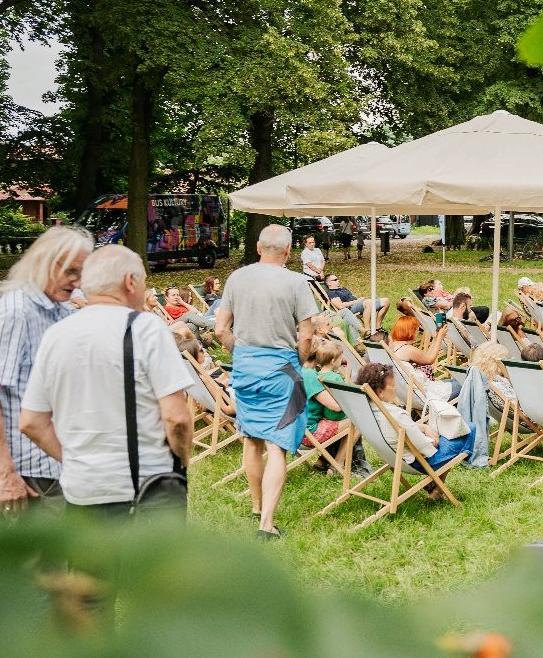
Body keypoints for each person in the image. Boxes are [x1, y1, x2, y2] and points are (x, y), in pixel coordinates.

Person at [18, 244, 196, 513]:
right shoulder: (146, 327)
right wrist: (181, 458)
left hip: (82, 490)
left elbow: (31, 422)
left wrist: (74, 461)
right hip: (146, 488)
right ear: (129, 281)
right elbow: (177, 418)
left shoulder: (56, 334)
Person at [0, 226, 94, 511]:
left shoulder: (60, 309)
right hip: (27, 470)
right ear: (43, 263)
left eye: (82, 273)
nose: (77, 282)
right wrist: (4, 474)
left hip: (58, 463)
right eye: (70, 272)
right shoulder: (14, 314)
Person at [215, 223, 318, 541]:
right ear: (288, 252)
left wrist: (242, 353)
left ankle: (257, 507)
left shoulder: (237, 278)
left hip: (245, 369)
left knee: (251, 438)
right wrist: (297, 364)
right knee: (277, 446)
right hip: (281, 369)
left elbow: (220, 330)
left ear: (259, 248)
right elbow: (307, 334)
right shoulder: (297, 282)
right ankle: (266, 525)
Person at [352, 362, 474, 472]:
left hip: (394, 459)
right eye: (393, 385)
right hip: (421, 463)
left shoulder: (366, 411)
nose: (396, 388)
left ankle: (436, 485)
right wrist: (434, 439)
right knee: (470, 428)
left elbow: (397, 427)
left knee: (439, 431)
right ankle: (443, 481)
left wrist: (424, 428)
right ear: (380, 392)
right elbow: (426, 448)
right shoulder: (397, 414)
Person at [299, 338, 357, 472]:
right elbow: (336, 406)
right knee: (358, 421)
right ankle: (337, 465)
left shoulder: (299, 370)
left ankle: (322, 461)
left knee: (333, 421)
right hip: (308, 434)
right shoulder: (310, 376)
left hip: (293, 429)